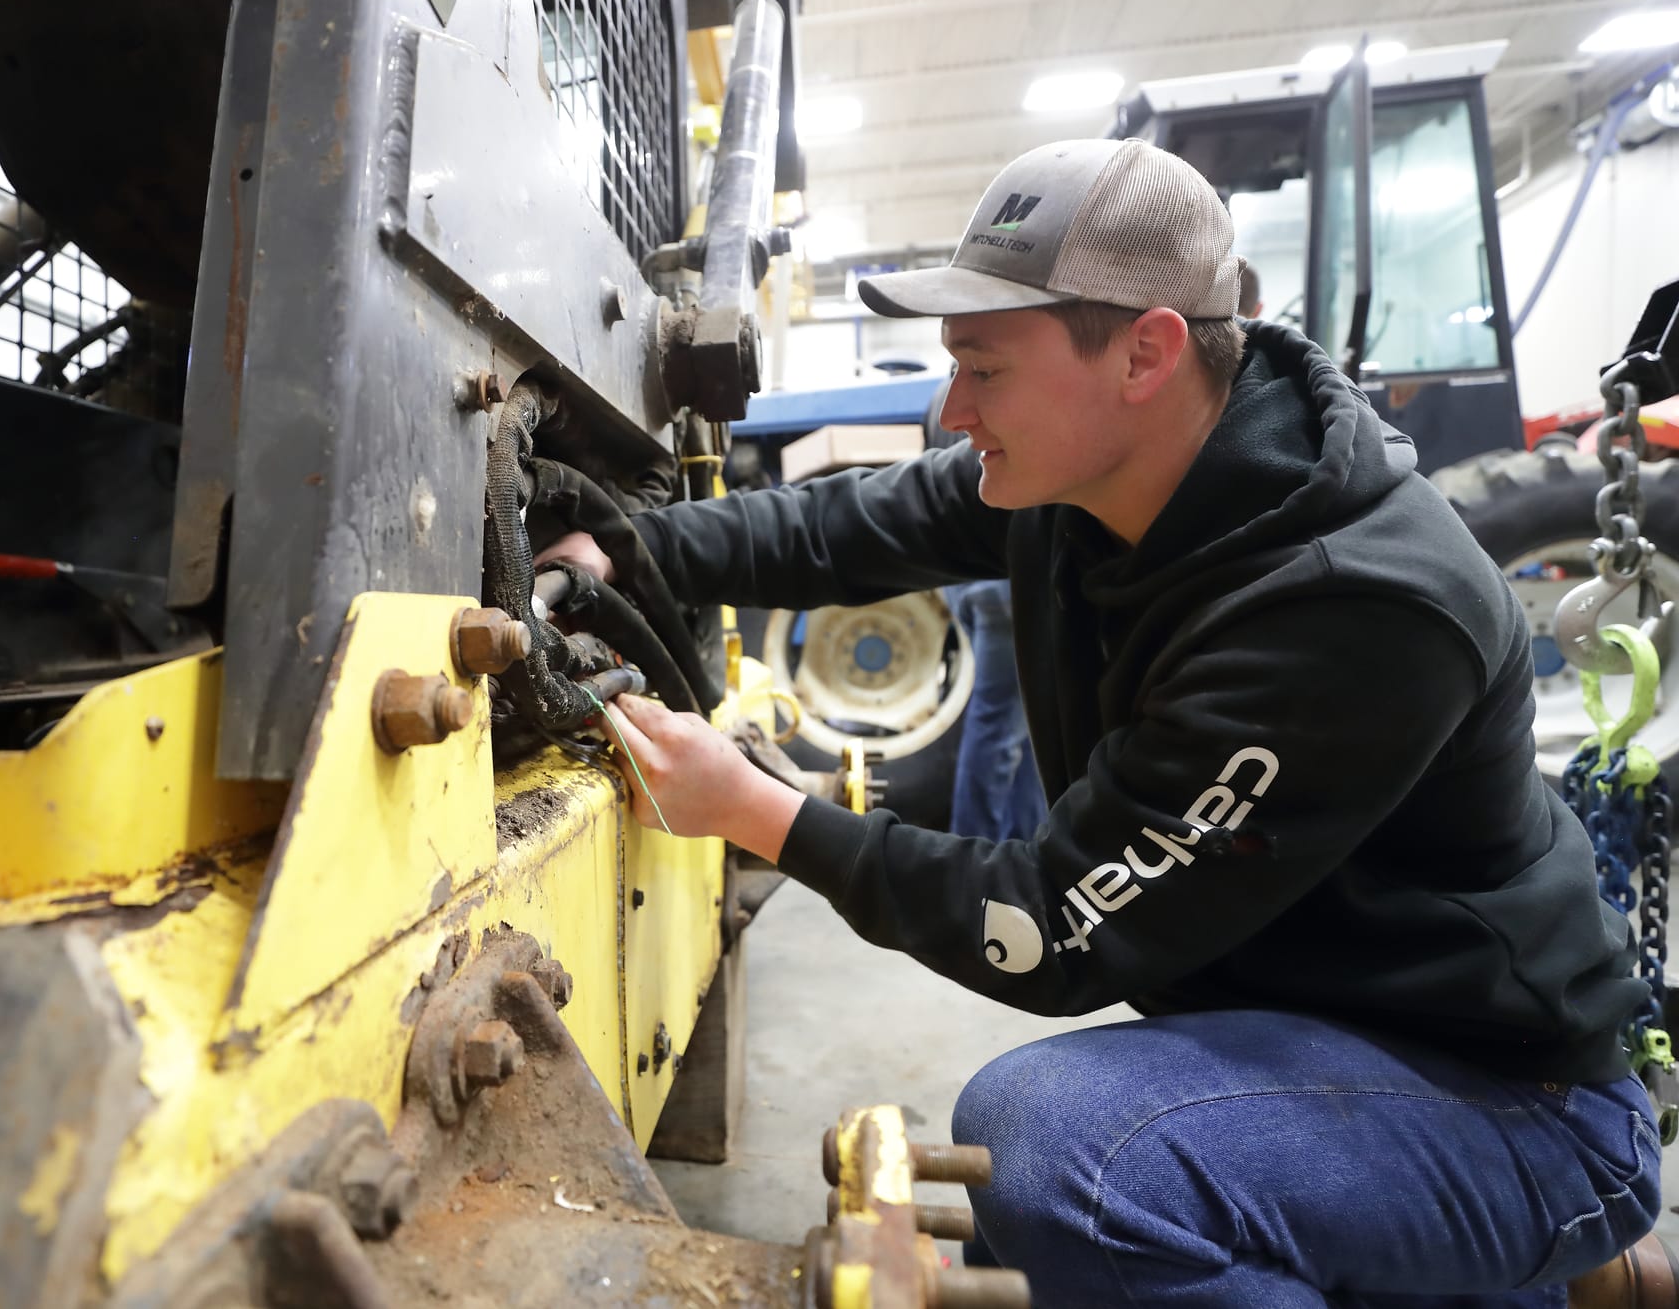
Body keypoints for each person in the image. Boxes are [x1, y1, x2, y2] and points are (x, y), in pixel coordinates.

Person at [541, 137, 1659, 1307]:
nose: (950, 405)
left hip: (1510, 1097)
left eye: (983, 367)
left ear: (1144, 350)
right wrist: (629, 546)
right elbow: (851, 526)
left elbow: (1053, 928)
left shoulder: (1348, 610)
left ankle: (1526, 1240)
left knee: (1063, 1155)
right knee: (1052, 1229)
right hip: (1315, 1029)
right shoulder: (1101, 478)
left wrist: (758, 812)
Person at [924, 381, 1048, 839]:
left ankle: (1028, 840)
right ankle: (977, 850)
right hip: (1006, 580)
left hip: (968, 581)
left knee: (1017, 726)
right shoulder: (997, 392)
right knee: (1003, 727)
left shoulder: (941, 400)